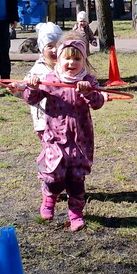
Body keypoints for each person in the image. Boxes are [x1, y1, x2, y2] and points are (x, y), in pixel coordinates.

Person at [23, 39, 105, 231]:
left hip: (80, 141)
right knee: (54, 176)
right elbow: (31, 99)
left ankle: (76, 214)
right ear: (59, 60)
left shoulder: (89, 81)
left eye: (77, 59)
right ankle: (49, 198)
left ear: (84, 61)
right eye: (67, 58)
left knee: (77, 179)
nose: (71, 63)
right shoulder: (51, 79)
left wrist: (88, 92)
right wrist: (32, 88)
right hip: (55, 139)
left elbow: (98, 103)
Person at [7, 22, 63, 138]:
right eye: (50, 46)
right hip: (43, 121)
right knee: (50, 147)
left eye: (58, 45)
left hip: (64, 119)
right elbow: (25, 88)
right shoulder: (37, 70)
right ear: (42, 49)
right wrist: (16, 88)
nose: (55, 50)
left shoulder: (66, 67)